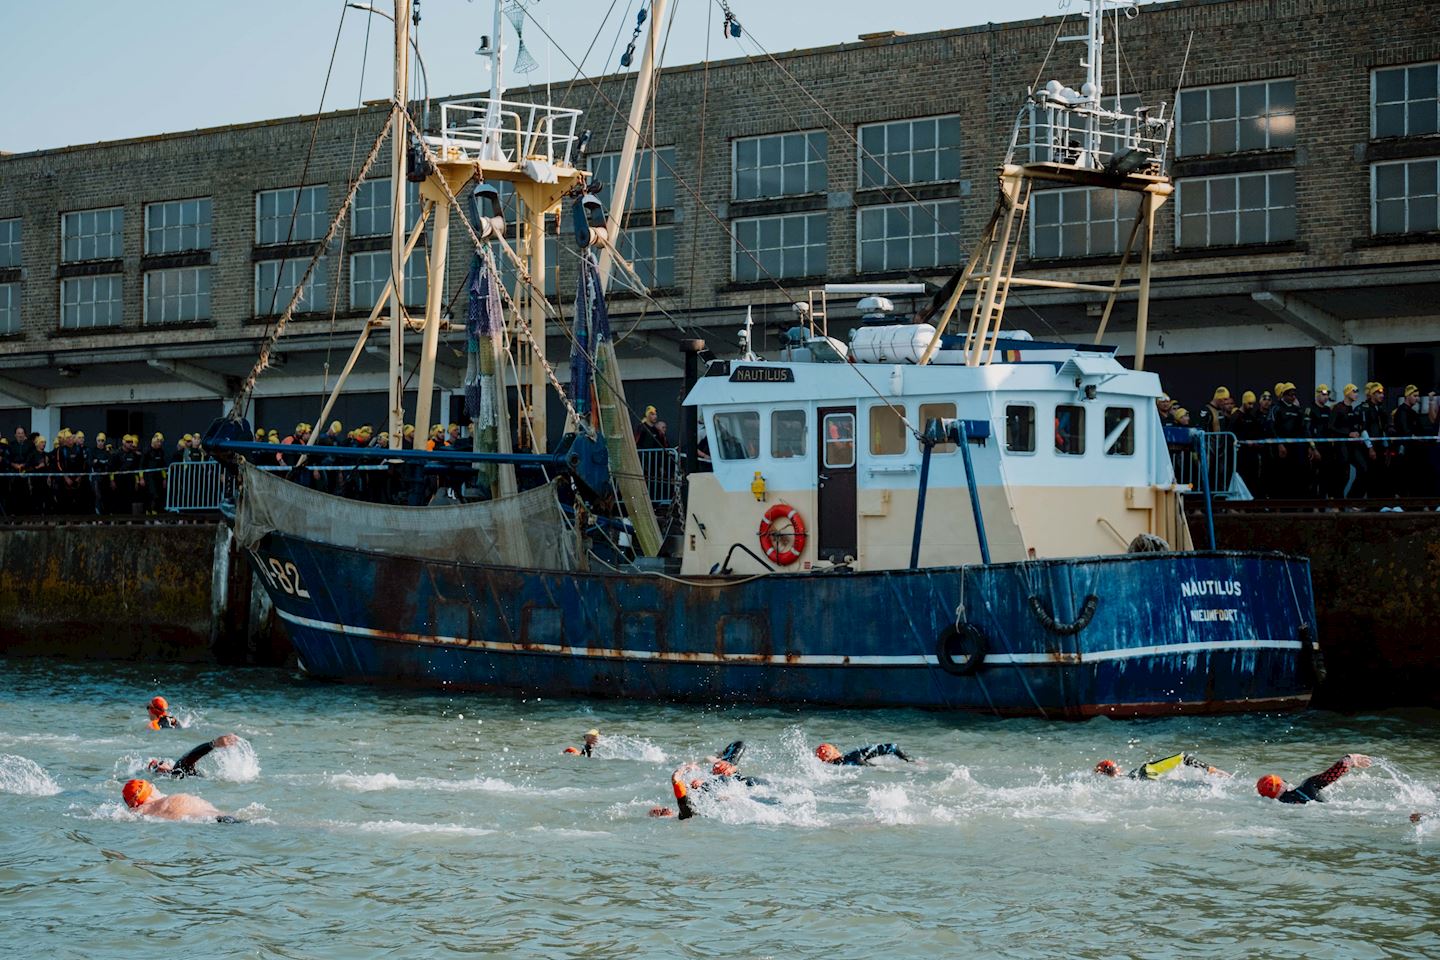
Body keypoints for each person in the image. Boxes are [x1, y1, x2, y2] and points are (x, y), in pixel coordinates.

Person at [1256, 753, 1371, 804]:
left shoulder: (1282, 803)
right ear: (1281, 785)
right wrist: (1350, 759)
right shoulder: (1307, 786)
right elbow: (1332, 773)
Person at [121, 779, 240, 822]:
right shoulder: (168, 798)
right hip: (221, 816)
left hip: (210, 822)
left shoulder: (139, 812)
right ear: (150, 790)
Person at [146, 734, 241, 778]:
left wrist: (213, 744)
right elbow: (192, 755)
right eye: (155, 768)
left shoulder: (178, 768)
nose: (159, 767)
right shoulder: (176, 771)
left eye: (160, 763)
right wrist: (213, 744)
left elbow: (192, 755)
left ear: (167, 763)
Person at [1094, 752, 1230, 780]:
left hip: (1143, 776)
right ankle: (1210, 770)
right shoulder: (1129, 775)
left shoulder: (1124, 779)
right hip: (1147, 770)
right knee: (1184, 758)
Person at [815, 742, 914, 766]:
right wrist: (912, 760)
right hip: (858, 759)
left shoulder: (843, 762)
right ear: (836, 750)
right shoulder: (851, 757)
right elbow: (892, 747)